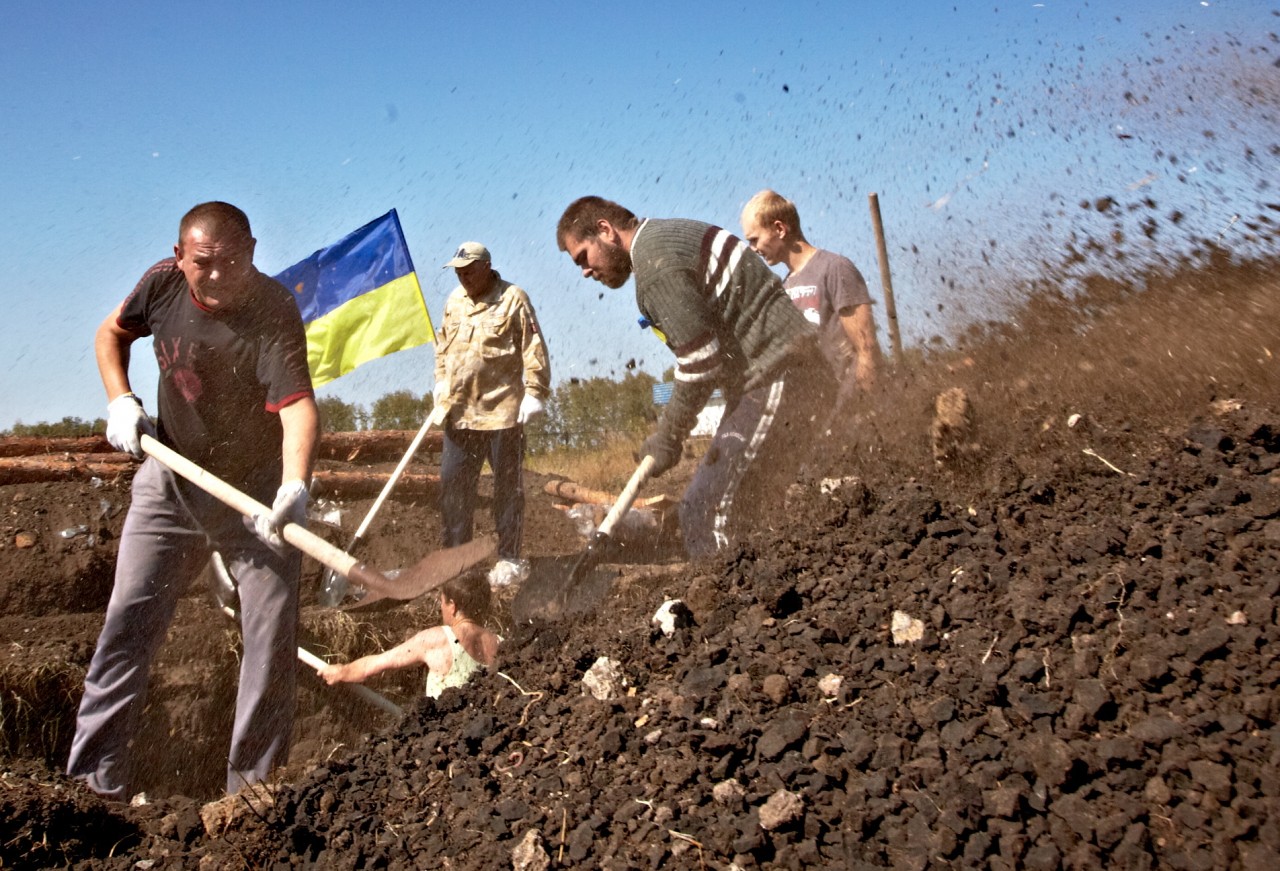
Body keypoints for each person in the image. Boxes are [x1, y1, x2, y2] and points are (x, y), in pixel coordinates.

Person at [67, 202, 319, 800]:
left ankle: (250, 798)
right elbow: (110, 333)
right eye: (203, 263)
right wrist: (120, 399)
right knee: (129, 619)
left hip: (251, 495)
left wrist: (293, 487)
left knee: (271, 631)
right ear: (180, 257)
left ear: (253, 252)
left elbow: (299, 408)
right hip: (171, 481)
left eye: (231, 261)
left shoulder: (272, 308)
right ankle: (91, 785)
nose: (216, 274)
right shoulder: (160, 284)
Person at [556, 196, 836, 558]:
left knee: (703, 514)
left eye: (583, 257)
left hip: (779, 374)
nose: (585, 272)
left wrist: (667, 437)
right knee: (753, 510)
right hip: (788, 374)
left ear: (605, 231)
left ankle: (733, 606)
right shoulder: (664, 236)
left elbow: (700, 362)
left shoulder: (655, 265)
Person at [434, 241, 551, 587]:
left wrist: (535, 392)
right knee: (454, 489)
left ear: (486, 266)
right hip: (460, 414)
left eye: (469, 269)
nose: (463, 276)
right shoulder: (453, 302)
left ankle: (509, 559)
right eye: (458, 271)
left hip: (503, 414)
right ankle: (457, 563)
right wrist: (441, 382)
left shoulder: (513, 298)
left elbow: (534, 348)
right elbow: (442, 349)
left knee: (507, 490)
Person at [740, 190, 882, 410]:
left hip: (851, 405)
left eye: (754, 239)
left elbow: (867, 349)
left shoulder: (835, 268)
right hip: (819, 409)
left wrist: (866, 410)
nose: (753, 248)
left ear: (779, 229)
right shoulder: (784, 287)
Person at [316, 571, 499, 698]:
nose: (440, 607)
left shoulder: (438, 640)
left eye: (442, 602)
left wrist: (341, 671)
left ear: (452, 605)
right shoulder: (502, 645)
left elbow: (377, 665)